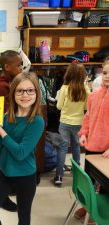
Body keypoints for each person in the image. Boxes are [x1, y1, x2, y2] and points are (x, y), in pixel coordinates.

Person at [0, 72, 45, 225]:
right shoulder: (5, 117)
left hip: (26, 176)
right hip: (4, 173)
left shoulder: (37, 121)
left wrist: (1, 131)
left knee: (23, 219)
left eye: (30, 90)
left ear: (36, 93)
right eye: (20, 90)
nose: (25, 95)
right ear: (13, 93)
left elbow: (21, 153)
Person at [74, 60, 109, 224]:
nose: (107, 77)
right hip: (92, 146)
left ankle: (99, 211)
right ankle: (88, 205)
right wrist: (84, 133)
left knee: (105, 185)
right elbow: (87, 117)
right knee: (88, 179)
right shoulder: (94, 96)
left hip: (106, 152)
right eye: (105, 73)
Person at [0, 50, 22, 212]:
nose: (21, 68)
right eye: (19, 65)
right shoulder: (2, 86)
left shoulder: (8, 82)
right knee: (2, 165)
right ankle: (0, 197)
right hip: (1, 133)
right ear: (7, 67)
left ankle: (6, 193)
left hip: (6, 131)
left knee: (6, 163)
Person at [53, 62, 90, 186]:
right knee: (76, 147)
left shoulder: (64, 89)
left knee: (62, 148)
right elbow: (86, 107)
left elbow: (58, 106)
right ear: (82, 75)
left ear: (68, 74)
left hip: (65, 122)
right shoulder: (85, 89)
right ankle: (77, 172)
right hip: (79, 122)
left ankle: (58, 176)